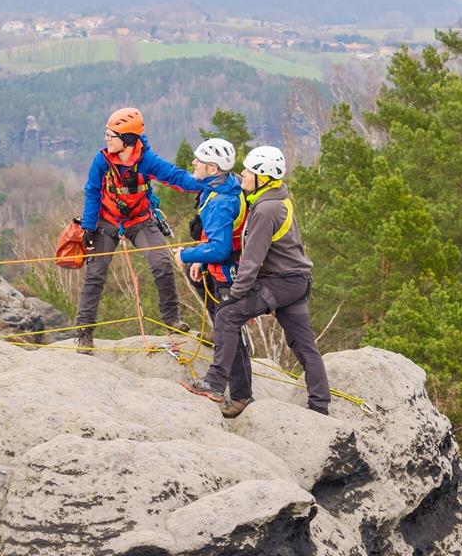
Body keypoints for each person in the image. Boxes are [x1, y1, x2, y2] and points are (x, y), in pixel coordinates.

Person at [181, 145, 332, 415]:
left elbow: (251, 261)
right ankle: (320, 405)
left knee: (227, 315)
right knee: (303, 344)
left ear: (262, 177)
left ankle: (214, 384)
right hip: (296, 281)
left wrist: (237, 295)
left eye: (248, 171)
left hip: (280, 282)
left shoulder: (265, 211)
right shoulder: (274, 198)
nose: (243, 175)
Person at [74, 107, 207, 354]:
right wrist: (89, 227)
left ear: (126, 141)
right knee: (95, 274)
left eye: (110, 135)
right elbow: (92, 192)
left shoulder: (147, 160)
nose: (106, 139)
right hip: (106, 220)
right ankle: (84, 333)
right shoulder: (101, 159)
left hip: (140, 220)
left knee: (162, 264)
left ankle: (172, 320)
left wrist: (210, 181)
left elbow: (177, 178)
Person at [176, 138, 252, 418]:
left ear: (211, 167)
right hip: (225, 268)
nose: (193, 163)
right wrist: (198, 259)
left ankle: (241, 395)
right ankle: (240, 391)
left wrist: (186, 254)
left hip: (228, 273)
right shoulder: (226, 185)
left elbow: (219, 248)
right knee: (226, 326)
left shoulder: (220, 201)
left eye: (198, 161)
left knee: (230, 330)